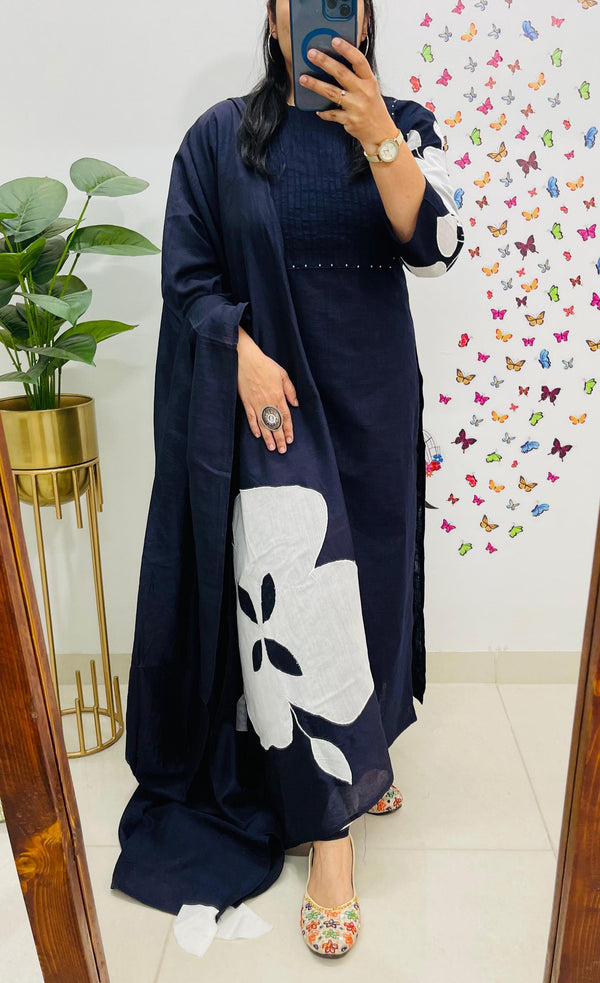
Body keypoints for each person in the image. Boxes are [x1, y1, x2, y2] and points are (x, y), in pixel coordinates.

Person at [111, 0, 464, 960]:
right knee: (300, 605)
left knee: (377, 588)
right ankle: (331, 841)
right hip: (276, 402)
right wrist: (240, 354)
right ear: (271, 20)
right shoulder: (220, 137)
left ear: (360, 16)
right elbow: (186, 274)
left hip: (374, 394)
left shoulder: (405, 123)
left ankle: (367, 751)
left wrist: (383, 134)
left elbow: (435, 249)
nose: (316, 10)